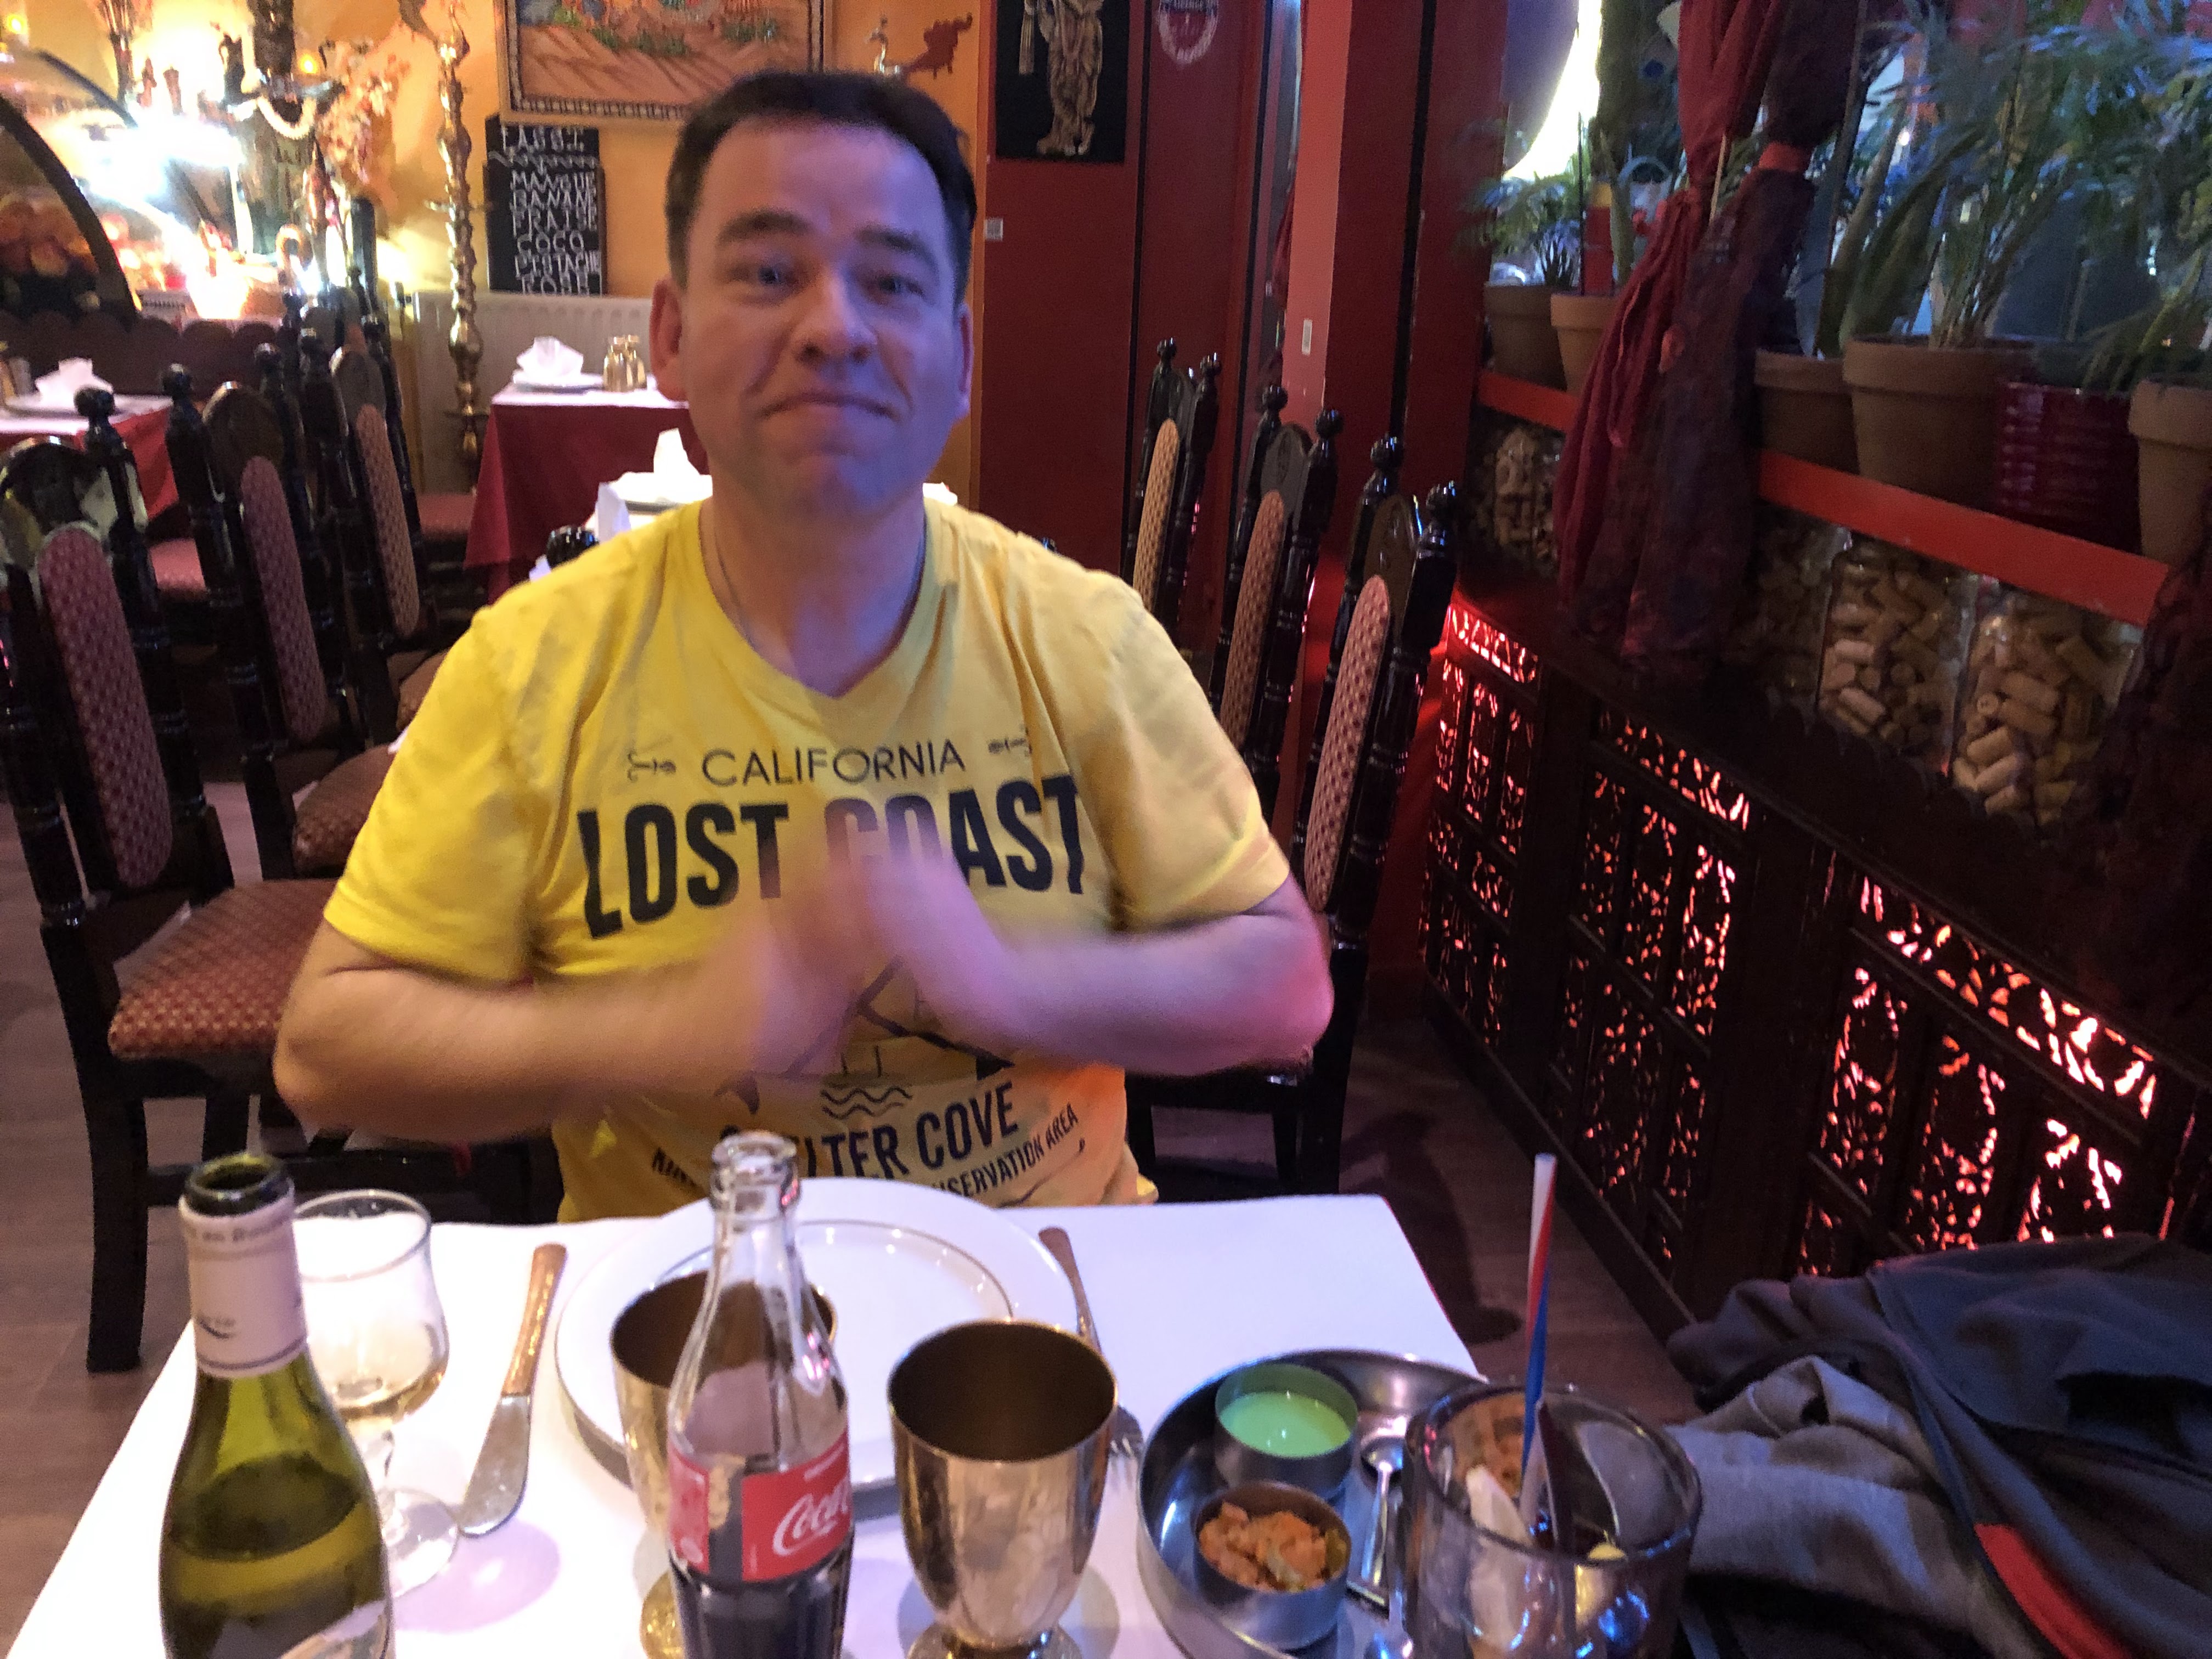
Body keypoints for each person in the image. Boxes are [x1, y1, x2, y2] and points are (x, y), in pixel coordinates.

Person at [274, 70, 1331, 1218]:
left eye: (892, 282)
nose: (834, 327)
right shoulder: (532, 665)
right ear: (671, 336)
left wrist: (1002, 985)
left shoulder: (1086, 642)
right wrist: (678, 1026)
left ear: (960, 358)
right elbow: (324, 1052)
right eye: (770, 273)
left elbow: (1288, 991)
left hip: (1046, 1291)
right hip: (695, 1299)